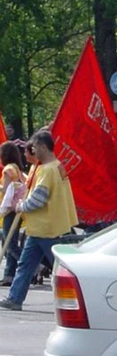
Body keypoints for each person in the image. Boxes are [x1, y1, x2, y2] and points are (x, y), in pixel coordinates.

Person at [0, 130, 78, 311]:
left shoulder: (48, 171)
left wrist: (21, 206)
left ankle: (82, 296)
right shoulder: (55, 167)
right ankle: (15, 298)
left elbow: (39, 199)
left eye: (34, 147)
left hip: (45, 226)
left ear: (43, 147)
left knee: (62, 268)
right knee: (26, 265)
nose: (32, 151)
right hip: (43, 226)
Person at [0, 142, 25, 286]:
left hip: (9, 208)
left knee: (9, 243)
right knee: (10, 240)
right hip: (16, 209)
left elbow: (8, 191)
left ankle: (35, 267)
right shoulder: (16, 168)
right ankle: (9, 274)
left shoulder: (8, 170)